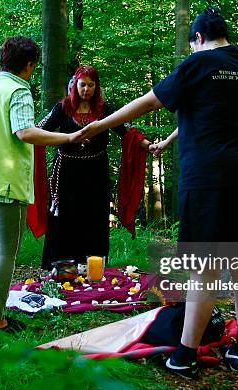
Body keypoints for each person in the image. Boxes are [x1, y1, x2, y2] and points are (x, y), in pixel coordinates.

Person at [81, 7, 238, 379]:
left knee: (204, 270)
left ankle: (185, 356)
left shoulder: (198, 63)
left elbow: (148, 101)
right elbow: (217, 114)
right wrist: (171, 139)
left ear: (198, 40)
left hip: (212, 180)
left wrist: (98, 126)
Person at [0, 36, 86, 332]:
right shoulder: (18, 89)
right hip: (2, 183)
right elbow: (25, 132)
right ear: (28, 65)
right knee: (4, 251)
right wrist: (68, 137)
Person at [36, 65, 151, 270]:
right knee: (66, 218)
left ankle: (92, 269)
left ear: (96, 87)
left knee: (94, 217)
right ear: (75, 85)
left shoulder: (104, 110)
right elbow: (39, 130)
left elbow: (125, 132)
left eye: (91, 85)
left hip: (95, 172)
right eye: (82, 85)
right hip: (66, 172)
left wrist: (148, 145)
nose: (86, 89)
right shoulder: (63, 108)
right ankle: (62, 269)